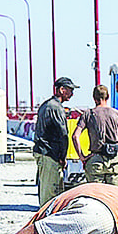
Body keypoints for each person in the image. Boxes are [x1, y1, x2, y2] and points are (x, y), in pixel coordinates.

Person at [70, 84, 118, 187]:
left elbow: (75, 136)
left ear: (94, 98)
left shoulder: (88, 114)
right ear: (108, 97)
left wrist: (82, 157)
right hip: (114, 159)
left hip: (95, 159)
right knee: (114, 195)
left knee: (95, 196)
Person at [33, 77, 77, 205]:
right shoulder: (55, 108)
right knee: (50, 194)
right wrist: (62, 157)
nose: (72, 94)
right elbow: (63, 135)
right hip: (49, 155)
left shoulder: (48, 105)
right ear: (62, 90)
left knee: (51, 191)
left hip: (46, 153)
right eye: (70, 90)